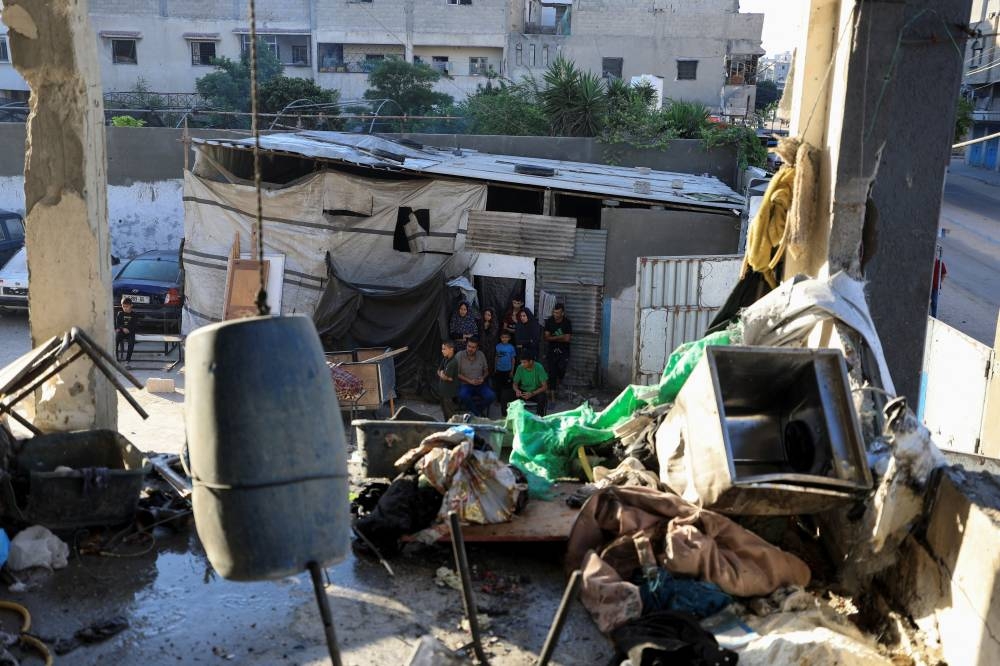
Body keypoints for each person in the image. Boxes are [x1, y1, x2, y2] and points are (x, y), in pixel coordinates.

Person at [457, 337, 495, 417]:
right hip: (466, 384)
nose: (470, 349)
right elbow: (456, 373)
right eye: (469, 346)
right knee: (463, 395)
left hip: (480, 384)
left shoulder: (481, 354)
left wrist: (483, 378)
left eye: (473, 347)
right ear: (466, 345)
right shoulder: (460, 355)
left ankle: (475, 411)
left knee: (491, 396)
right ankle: (477, 414)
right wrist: (469, 381)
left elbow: (486, 371)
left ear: (477, 348)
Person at [543, 303, 573, 398]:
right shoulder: (549, 321)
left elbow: (567, 339)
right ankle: (552, 395)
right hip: (552, 350)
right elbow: (546, 338)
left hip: (564, 350)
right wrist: (561, 336)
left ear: (562, 313)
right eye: (554, 312)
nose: (555, 315)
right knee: (552, 372)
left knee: (562, 369)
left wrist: (553, 337)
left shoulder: (567, 322)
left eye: (557, 313)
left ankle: (558, 384)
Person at [512, 350, 549, 416]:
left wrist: (532, 393)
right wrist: (517, 390)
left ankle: (539, 418)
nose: (522, 364)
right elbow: (515, 384)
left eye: (524, 362)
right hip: (523, 392)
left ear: (531, 361)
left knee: (542, 397)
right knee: (506, 394)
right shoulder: (520, 367)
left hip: (535, 392)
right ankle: (510, 416)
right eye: (521, 362)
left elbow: (545, 386)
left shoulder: (539, 367)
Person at [493, 330, 517, 416]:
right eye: (503, 337)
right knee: (498, 386)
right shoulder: (498, 346)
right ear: (500, 338)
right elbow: (496, 357)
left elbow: (513, 360)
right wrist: (495, 368)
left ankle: (507, 402)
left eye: (506, 337)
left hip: (508, 370)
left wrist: (512, 371)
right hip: (499, 370)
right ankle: (498, 400)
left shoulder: (511, 347)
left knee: (507, 387)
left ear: (509, 338)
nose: (504, 339)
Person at [437, 341, 460, 420]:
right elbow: (439, 371)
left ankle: (453, 429)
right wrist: (442, 374)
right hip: (442, 392)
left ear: (451, 349)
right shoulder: (445, 359)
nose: (442, 350)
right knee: (445, 412)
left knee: (450, 413)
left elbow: (447, 377)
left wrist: (444, 375)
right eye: (442, 349)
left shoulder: (453, 362)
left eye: (444, 349)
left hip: (448, 394)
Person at [115, 297, 138, 366]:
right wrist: (122, 328)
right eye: (123, 306)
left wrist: (129, 330)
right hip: (122, 331)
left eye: (127, 306)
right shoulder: (120, 313)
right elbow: (117, 323)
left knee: (131, 342)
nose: (125, 308)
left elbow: (135, 325)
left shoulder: (134, 315)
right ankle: (116, 358)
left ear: (131, 305)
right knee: (115, 341)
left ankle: (128, 359)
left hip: (130, 332)